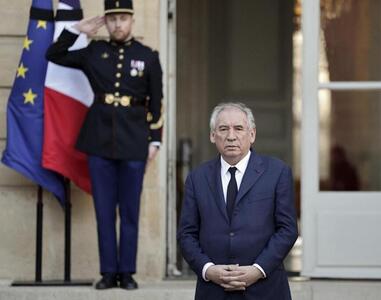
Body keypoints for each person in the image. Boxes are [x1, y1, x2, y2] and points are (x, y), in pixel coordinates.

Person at [46, 0, 163, 290]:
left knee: (130, 212)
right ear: (106, 22)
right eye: (112, 19)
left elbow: (157, 103)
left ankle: (128, 273)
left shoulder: (148, 56)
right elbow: (54, 54)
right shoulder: (93, 52)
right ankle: (109, 273)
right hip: (99, 142)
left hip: (135, 141)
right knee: (104, 211)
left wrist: (155, 141)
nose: (118, 25)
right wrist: (76, 30)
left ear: (132, 20)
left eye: (123, 18)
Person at [177, 102, 298, 300]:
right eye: (223, 129)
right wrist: (208, 270)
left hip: (265, 289)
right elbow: (186, 234)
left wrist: (257, 270)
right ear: (212, 135)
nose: (231, 136)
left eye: (239, 128)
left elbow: (287, 229)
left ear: (252, 134)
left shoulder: (277, 172)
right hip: (213, 291)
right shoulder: (197, 178)